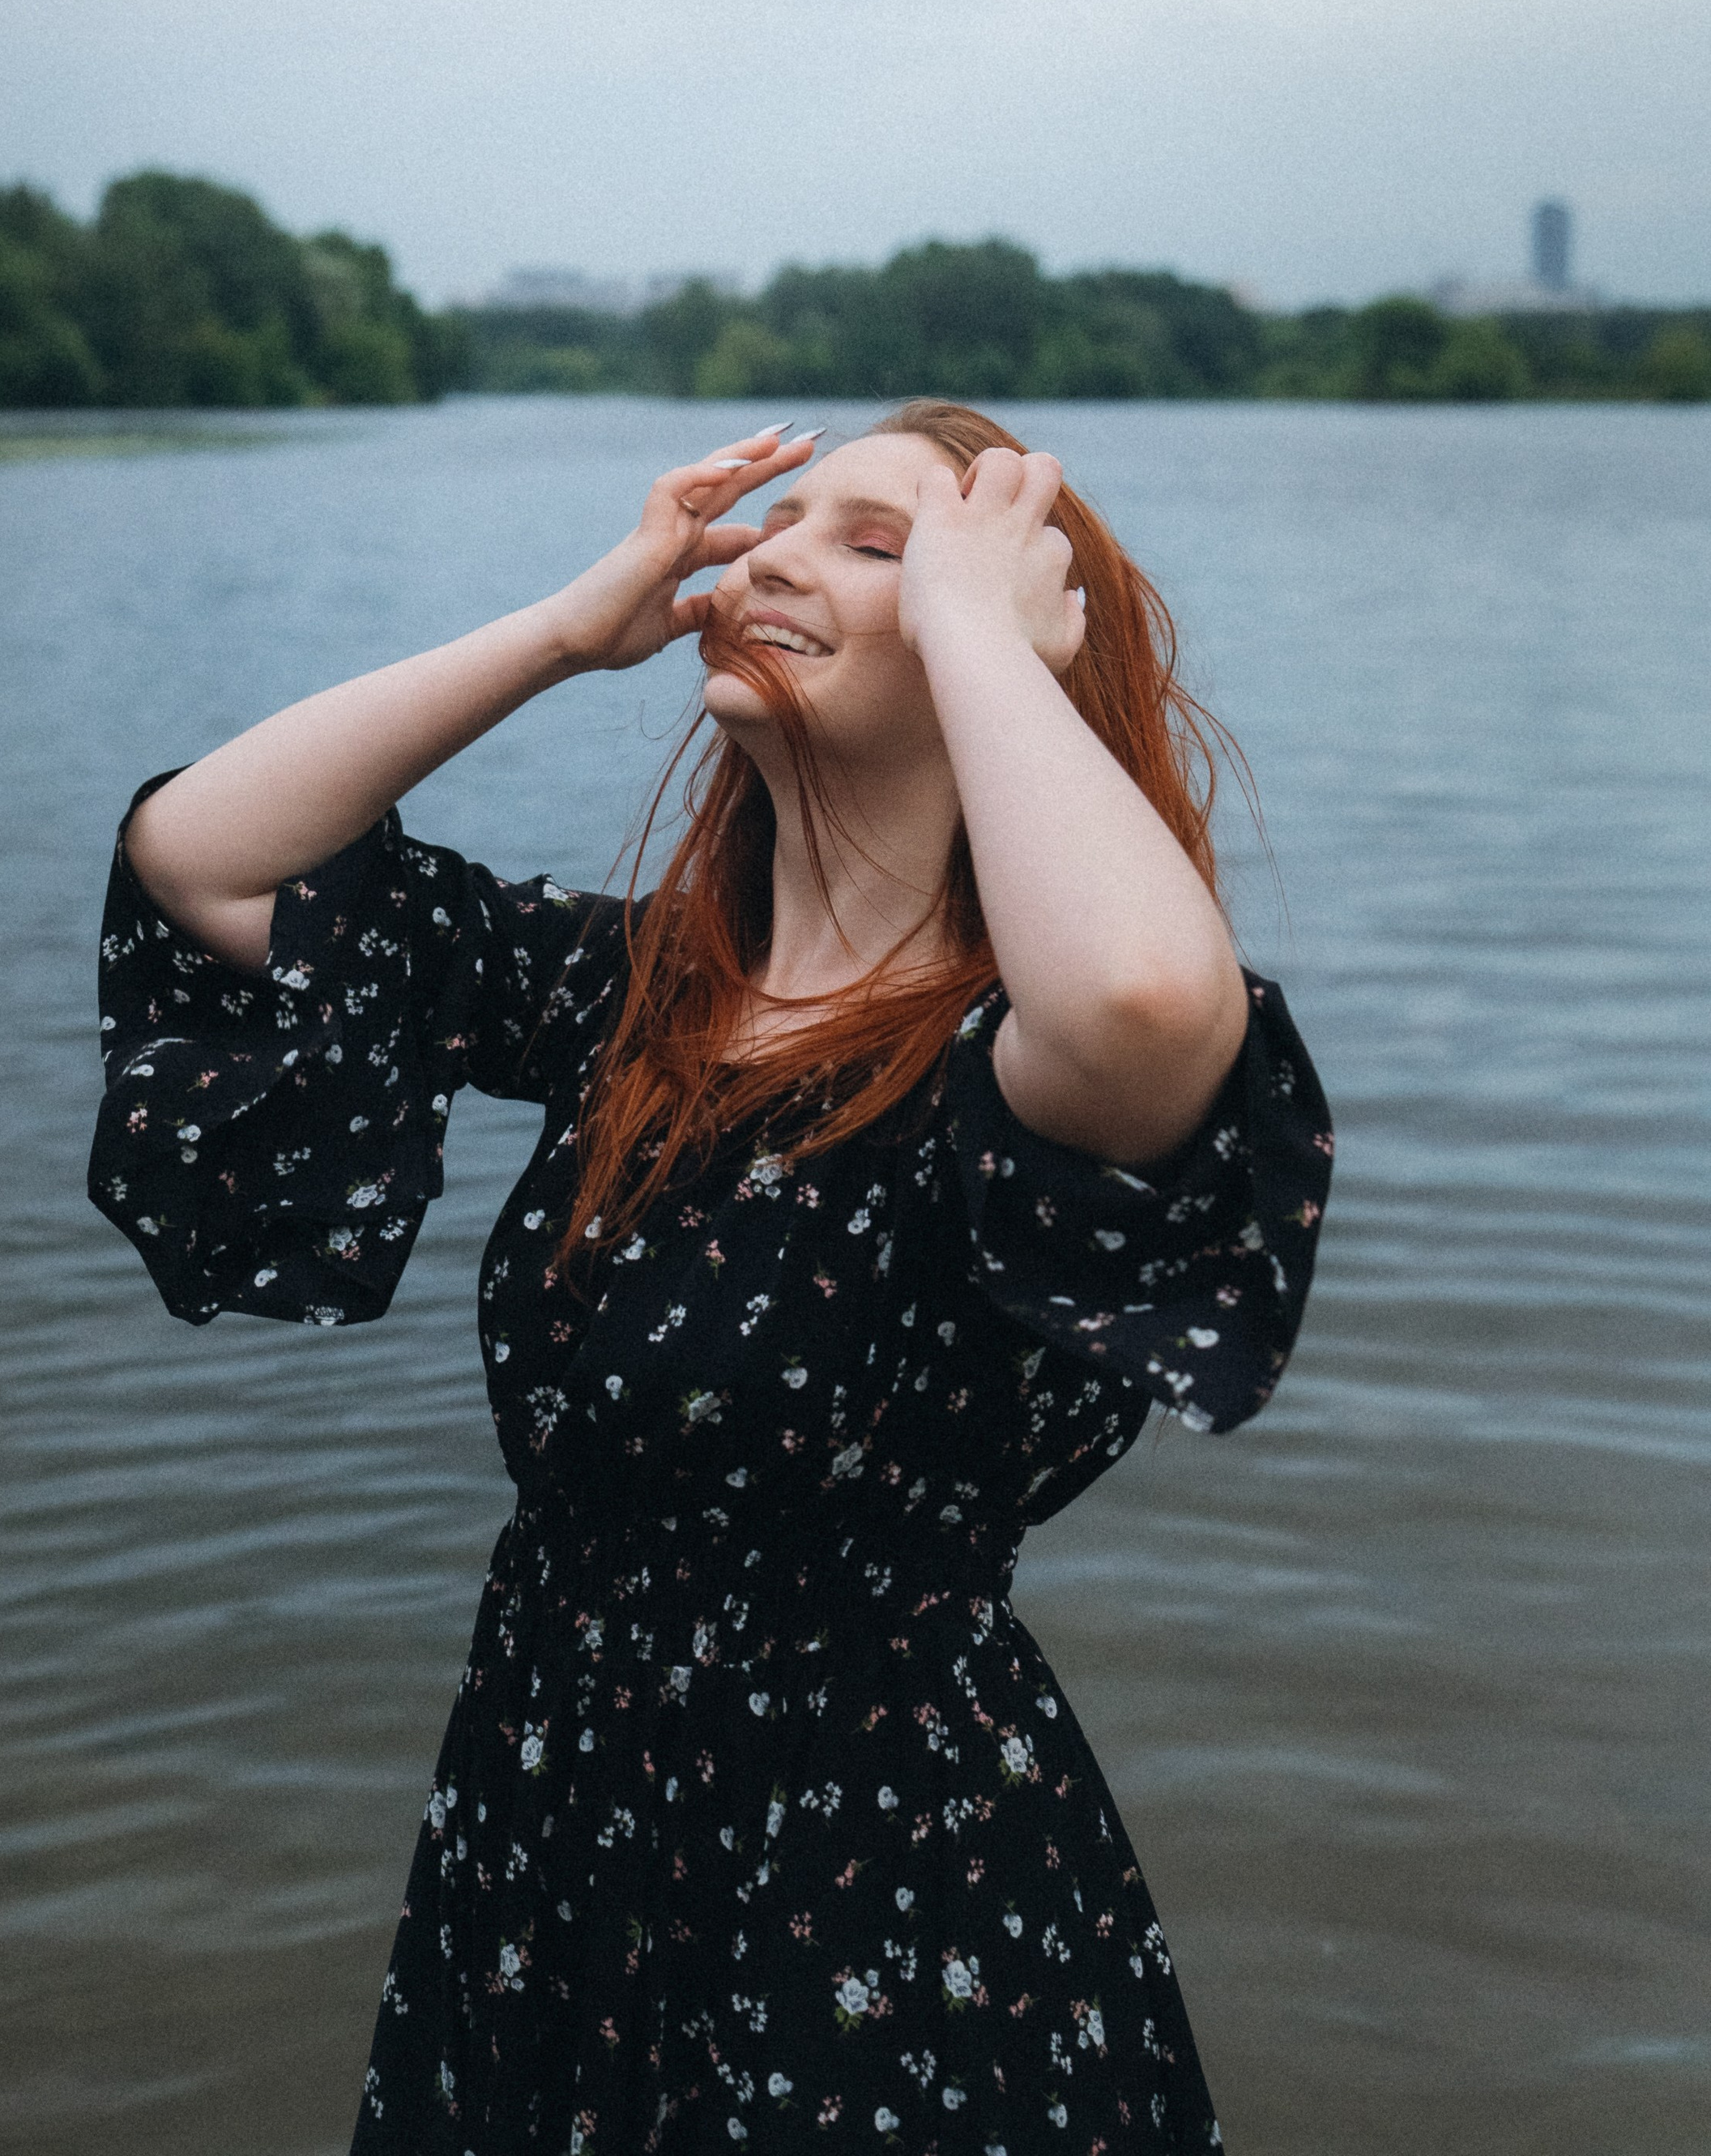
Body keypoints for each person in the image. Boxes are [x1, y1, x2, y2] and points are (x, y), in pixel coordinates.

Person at [91, 400, 1332, 2154]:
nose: (768, 556)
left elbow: (1139, 997)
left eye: (871, 543)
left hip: (875, 1883)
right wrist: (560, 634)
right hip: (549, 1826)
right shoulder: (630, 1003)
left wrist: (985, 642)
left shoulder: (1012, 1063)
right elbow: (205, 858)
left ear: (1011, 634)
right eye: (778, 521)